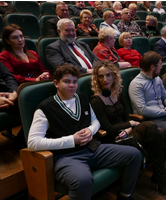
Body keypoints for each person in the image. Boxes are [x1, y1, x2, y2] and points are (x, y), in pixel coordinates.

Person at [27, 64, 141, 200]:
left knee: (134, 154)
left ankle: (125, 195)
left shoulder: (81, 98)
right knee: (82, 180)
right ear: (56, 83)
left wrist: (90, 130)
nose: (72, 85)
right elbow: (33, 143)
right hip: (66, 156)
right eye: (67, 81)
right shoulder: (45, 108)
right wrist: (72, 140)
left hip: (92, 148)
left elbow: (96, 122)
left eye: (74, 82)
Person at [90, 61, 166, 196]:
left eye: (108, 75)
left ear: (114, 76)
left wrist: (129, 128)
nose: (105, 79)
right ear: (96, 78)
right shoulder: (96, 101)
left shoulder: (117, 93)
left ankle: (159, 179)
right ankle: (160, 180)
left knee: (157, 132)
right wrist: (131, 125)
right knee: (154, 130)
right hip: (113, 138)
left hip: (127, 132)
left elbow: (126, 117)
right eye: (101, 76)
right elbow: (108, 128)